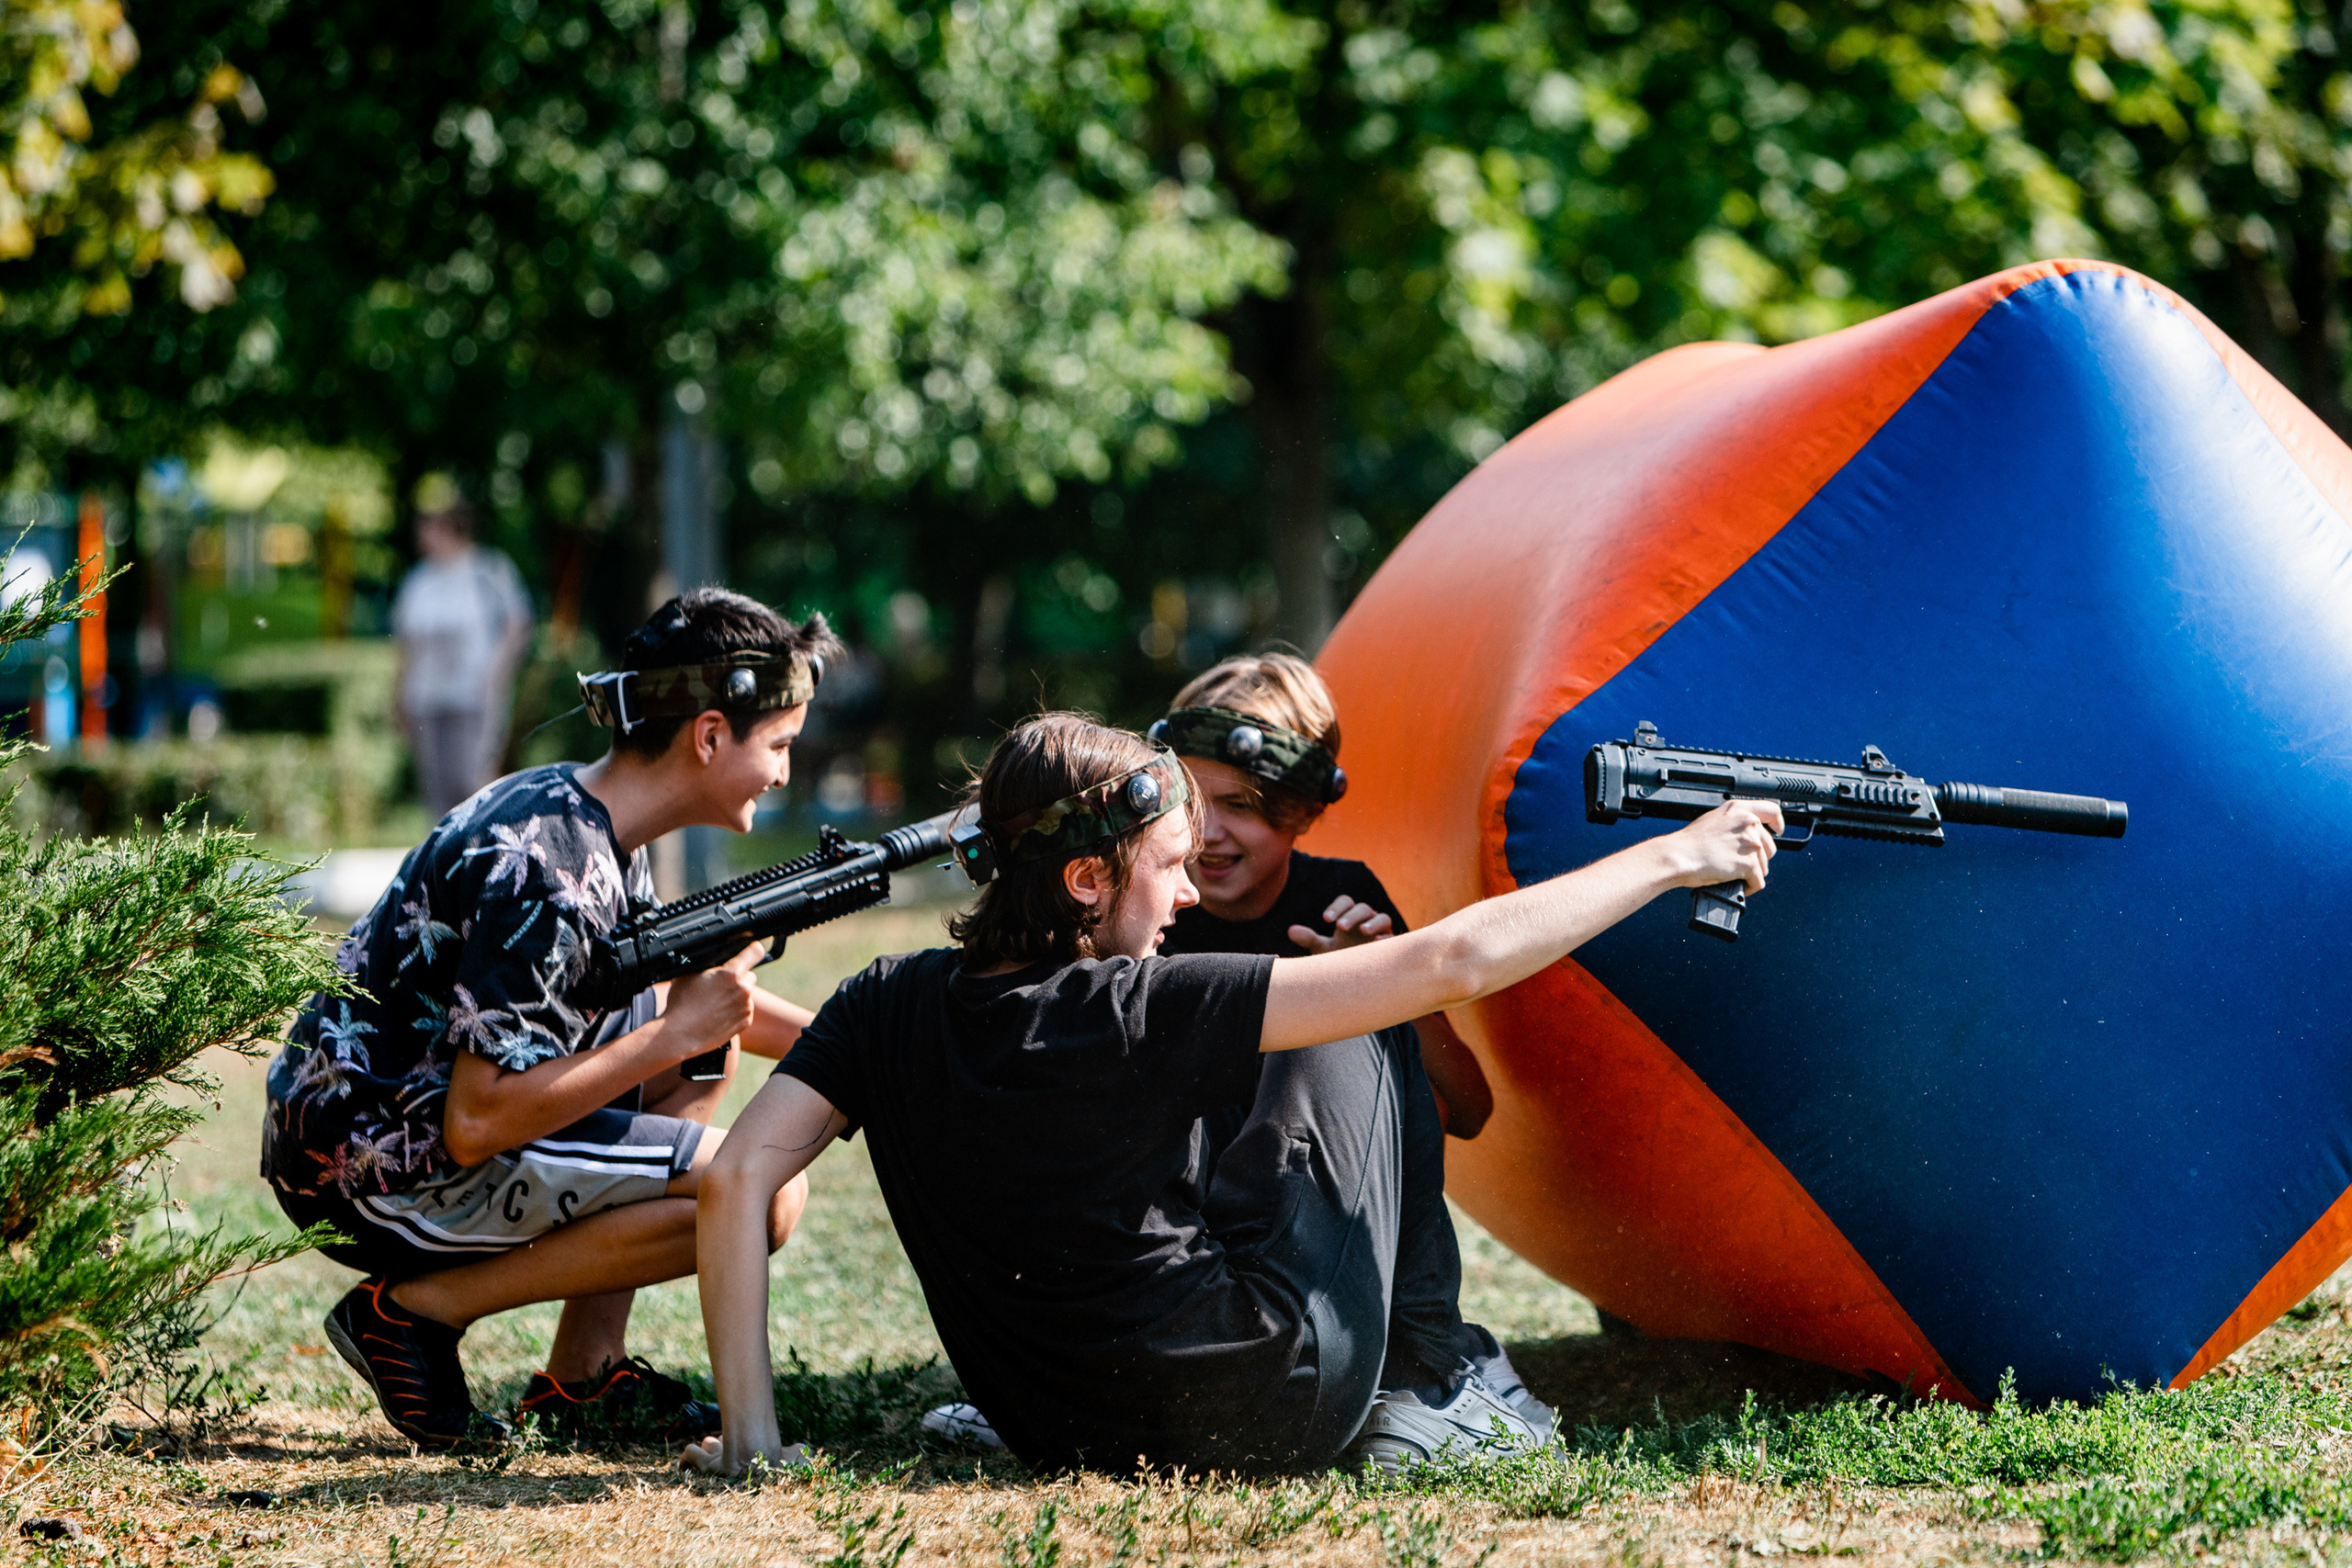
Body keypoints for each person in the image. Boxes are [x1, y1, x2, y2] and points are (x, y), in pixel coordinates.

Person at [685, 712, 1780, 1477]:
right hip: (1270, 1406)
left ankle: (1417, 1371)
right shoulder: (1135, 1004)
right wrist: (1673, 858)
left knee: (1297, 1032)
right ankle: (1442, 1385)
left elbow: (735, 1178)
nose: (1181, 896)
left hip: (1055, 1432)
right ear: (1085, 879)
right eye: (1168, 865)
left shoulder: (881, 1002)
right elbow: (1450, 964)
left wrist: (753, 1436)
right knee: (1366, 1014)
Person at [262, 588, 840, 1450]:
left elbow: (696, 1005)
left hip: (382, 1124)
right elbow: (476, 1121)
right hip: (372, 1165)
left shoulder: (589, 821)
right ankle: (413, 1313)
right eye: (781, 745)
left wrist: (855, 1051)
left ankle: (583, 1376)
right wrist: (675, 1031)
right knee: (761, 1194)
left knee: (701, 1055)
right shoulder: (551, 868)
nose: (785, 772)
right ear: (710, 734)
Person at [918, 653, 1519, 1458]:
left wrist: (1387, 985)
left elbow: (1467, 1108)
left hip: (1299, 1222)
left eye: (1245, 805)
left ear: (1304, 811)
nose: (1211, 836)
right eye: (1197, 804)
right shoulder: (1136, 909)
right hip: (1166, 1252)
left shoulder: (1341, 902)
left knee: (1369, 1023)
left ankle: (1436, 1365)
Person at [391, 491, 534, 818]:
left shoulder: (487, 570)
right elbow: (406, 644)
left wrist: (496, 672)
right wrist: (398, 698)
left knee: (473, 781)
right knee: (437, 789)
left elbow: (517, 623)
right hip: (426, 698)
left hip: (472, 697)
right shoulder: (419, 580)